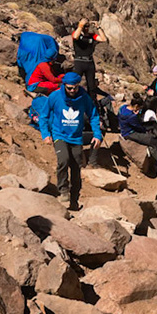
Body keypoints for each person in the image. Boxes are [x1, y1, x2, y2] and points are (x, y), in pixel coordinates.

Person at [37, 71, 103, 210]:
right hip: (59, 134)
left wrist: (97, 134)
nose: (73, 90)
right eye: (69, 88)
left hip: (76, 136)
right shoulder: (55, 96)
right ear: (64, 85)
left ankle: (74, 198)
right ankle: (63, 191)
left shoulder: (83, 97)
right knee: (63, 160)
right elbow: (44, 115)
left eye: (75, 87)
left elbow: (93, 115)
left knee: (76, 167)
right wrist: (45, 134)